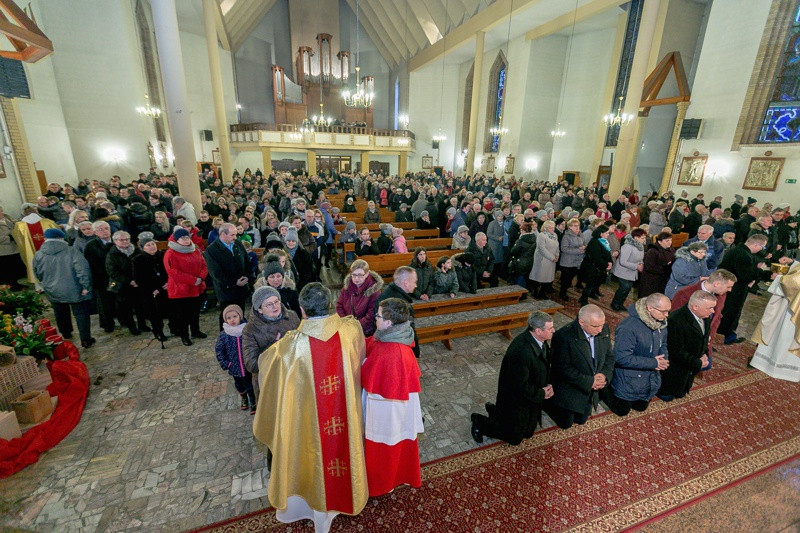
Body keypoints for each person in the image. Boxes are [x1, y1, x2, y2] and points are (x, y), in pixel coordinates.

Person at [252, 283, 368, 532]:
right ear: (331, 304)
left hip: (309, 422)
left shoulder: (289, 347)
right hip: (343, 414)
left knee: (308, 450)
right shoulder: (350, 330)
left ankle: (306, 506)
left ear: (302, 311)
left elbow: (266, 369)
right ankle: (341, 500)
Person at [362, 298, 423, 496]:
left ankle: (381, 484)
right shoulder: (393, 335)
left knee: (386, 444)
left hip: (387, 409)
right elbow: (371, 343)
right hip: (396, 402)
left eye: (378, 316)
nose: (375, 319)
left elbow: (365, 375)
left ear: (389, 323)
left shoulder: (391, 351)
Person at [470, 311, 554, 445]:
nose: (553, 331)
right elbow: (519, 387)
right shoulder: (521, 351)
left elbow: (544, 365)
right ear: (538, 331)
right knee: (515, 438)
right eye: (550, 328)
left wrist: (548, 385)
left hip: (531, 394)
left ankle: (495, 412)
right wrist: (542, 393)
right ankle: (480, 422)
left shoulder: (540, 341)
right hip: (515, 398)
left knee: (528, 432)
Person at [544, 304, 614, 429]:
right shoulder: (563, 336)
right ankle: (547, 403)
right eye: (595, 326)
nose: (600, 330)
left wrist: (604, 376)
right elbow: (562, 368)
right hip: (571, 386)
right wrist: (589, 381)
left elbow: (609, 358)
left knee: (581, 420)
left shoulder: (604, 330)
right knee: (566, 424)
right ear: (581, 322)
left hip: (591, 386)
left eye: (602, 325)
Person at [602, 294, 670, 416]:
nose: (667, 315)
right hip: (628, 378)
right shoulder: (628, 327)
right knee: (622, 411)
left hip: (649, 376)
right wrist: (654, 363)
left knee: (641, 408)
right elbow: (621, 358)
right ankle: (604, 389)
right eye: (664, 312)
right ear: (650, 308)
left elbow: (663, 343)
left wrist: (664, 358)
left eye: (668, 311)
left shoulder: (661, 322)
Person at [717, 234, 786, 344]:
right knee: (731, 312)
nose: (762, 250)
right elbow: (746, 275)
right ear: (755, 244)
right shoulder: (743, 255)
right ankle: (725, 335)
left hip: (733, 286)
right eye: (762, 247)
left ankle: (726, 334)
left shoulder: (740, 251)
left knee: (731, 311)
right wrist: (765, 275)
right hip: (735, 288)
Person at [32, 228, 95, 349]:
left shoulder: (38, 254)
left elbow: (37, 273)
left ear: (45, 239)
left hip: (52, 289)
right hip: (74, 288)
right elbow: (83, 270)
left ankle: (66, 333)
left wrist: (46, 284)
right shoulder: (72, 251)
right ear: (61, 238)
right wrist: (86, 286)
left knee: (60, 312)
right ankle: (85, 339)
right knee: (81, 313)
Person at [670, 268, 737, 369]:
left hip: (705, 343)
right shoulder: (685, 294)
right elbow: (675, 324)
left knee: (706, 366)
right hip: (686, 345)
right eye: (728, 287)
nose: (730, 290)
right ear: (716, 284)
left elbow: (717, 316)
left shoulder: (721, 295)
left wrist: (709, 337)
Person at [242, 286, 301, 399]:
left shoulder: (292, 316)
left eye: (276, 301)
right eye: (269, 304)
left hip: (293, 376)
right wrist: (275, 347)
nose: (275, 306)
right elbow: (251, 365)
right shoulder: (250, 330)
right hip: (269, 383)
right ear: (259, 309)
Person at [657, 291, 717, 401]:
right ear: (695, 307)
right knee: (667, 397)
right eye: (710, 308)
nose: (713, 311)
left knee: (681, 393)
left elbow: (704, 338)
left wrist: (704, 354)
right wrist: (698, 363)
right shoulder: (676, 320)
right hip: (673, 373)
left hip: (688, 370)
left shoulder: (705, 316)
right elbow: (676, 351)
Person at [751, 261, 800, 381]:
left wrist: (778, 278)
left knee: (785, 334)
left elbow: (792, 283)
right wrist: (792, 263)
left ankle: (779, 367)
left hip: (793, 309)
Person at [163, 228, 208, 346]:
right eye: (183, 238)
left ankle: (195, 330)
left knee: (195, 312)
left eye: (188, 237)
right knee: (183, 315)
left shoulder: (195, 250)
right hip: (181, 289)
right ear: (176, 239)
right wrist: (193, 280)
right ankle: (184, 335)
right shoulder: (171, 253)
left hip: (197, 287)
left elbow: (204, 265)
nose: (186, 239)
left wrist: (201, 278)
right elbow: (173, 272)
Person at [204, 223, 252, 330]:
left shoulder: (237, 244)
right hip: (226, 291)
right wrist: (234, 282)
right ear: (223, 234)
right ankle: (226, 338)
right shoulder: (212, 250)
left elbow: (247, 262)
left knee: (240, 314)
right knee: (228, 317)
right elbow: (215, 273)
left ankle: (239, 337)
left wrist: (247, 277)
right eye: (232, 235)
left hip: (241, 289)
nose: (235, 237)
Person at [215, 305, 256, 414]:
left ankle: (253, 401)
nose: (232, 320)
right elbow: (219, 350)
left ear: (240, 316)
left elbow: (253, 345)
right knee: (239, 384)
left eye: (234, 316)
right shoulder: (224, 335)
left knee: (250, 384)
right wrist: (226, 364)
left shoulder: (247, 330)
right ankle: (244, 398)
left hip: (247, 365)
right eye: (229, 318)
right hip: (234, 366)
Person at [132, 232, 170, 342]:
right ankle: (158, 331)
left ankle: (174, 328)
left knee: (170, 309)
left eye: (153, 244)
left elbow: (168, 271)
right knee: (155, 314)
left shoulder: (162, 255)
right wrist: (152, 289)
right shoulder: (138, 260)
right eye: (148, 245)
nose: (152, 246)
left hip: (165, 287)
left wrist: (168, 282)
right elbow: (139, 278)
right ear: (142, 248)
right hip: (150, 291)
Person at [11, 203, 60, 286]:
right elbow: (58, 234)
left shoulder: (20, 226)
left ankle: (39, 287)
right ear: (36, 212)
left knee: (34, 263)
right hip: (49, 252)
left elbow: (18, 239)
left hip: (32, 252)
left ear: (24, 213)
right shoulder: (48, 222)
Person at [376, 266, 420, 358]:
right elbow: (409, 330)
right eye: (415, 282)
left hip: (384, 342)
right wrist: (416, 352)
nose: (416, 285)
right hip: (396, 349)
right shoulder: (402, 304)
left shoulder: (387, 291)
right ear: (406, 283)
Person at [106, 230, 144, 336]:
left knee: (140, 306)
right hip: (122, 286)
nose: (124, 242)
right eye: (121, 240)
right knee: (126, 308)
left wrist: (138, 280)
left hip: (137, 283)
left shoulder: (136, 251)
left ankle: (142, 324)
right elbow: (112, 272)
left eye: (127, 239)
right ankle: (132, 327)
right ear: (115, 241)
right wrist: (129, 281)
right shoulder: (112, 254)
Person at [336, 259, 384, 337]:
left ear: (367, 274)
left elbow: (371, 314)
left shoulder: (374, 291)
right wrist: (345, 322)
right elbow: (339, 305)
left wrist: (355, 327)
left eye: (360, 275)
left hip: (365, 331)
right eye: (354, 275)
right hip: (347, 327)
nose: (356, 278)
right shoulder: (347, 287)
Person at [610, 228, 647, 311]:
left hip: (631, 272)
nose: (644, 240)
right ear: (636, 237)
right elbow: (623, 262)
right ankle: (615, 304)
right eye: (642, 238)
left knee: (627, 289)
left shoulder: (640, 246)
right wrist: (636, 266)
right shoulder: (627, 246)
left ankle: (620, 303)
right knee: (623, 288)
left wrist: (641, 264)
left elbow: (641, 258)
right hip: (623, 271)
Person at [578, 226, 613, 306]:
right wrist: (606, 264)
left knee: (595, 283)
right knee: (589, 284)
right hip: (591, 267)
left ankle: (591, 294)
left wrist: (610, 262)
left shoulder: (604, 241)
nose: (608, 234)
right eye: (606, 233)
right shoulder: (594, 242)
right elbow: (596, 257)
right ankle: (583, 299)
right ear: (601, 234)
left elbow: (608, 253)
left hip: (599, 267)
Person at [529, 220, 560, 299]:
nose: (552, 229)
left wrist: (557, 255)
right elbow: (542, 249)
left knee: (548, 277)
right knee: (538, 276)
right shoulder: (541, 235)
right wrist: (552, 258)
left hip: (551, 260)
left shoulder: (555, 235)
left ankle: (542, 292)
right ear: (545, 228)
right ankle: (534, 290)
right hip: (542, 259)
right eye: (550, 228)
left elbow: (557, 246)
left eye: (553, 227)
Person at [558, 219, 585, 300]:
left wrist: (584, 248)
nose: (577, 227)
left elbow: (585, 244)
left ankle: (565, 290)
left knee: (571, 279)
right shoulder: (566, 236)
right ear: (569, 227)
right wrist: (578, 250)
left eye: (578, 225)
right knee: (565, 280)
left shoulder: (581, 235)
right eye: (575, 226)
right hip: (567, 261)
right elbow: (564, 249)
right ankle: (562, 293)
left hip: (577, 261)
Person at [0, 206, 26, 290]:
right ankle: (11, 286)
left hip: (14, 248)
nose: (1, 213)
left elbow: (16, 224)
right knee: (8, 269)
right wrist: (9, 237)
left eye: (1, 211)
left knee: (15, 267)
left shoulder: (7, 218)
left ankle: (16, 284)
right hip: (4, 250)